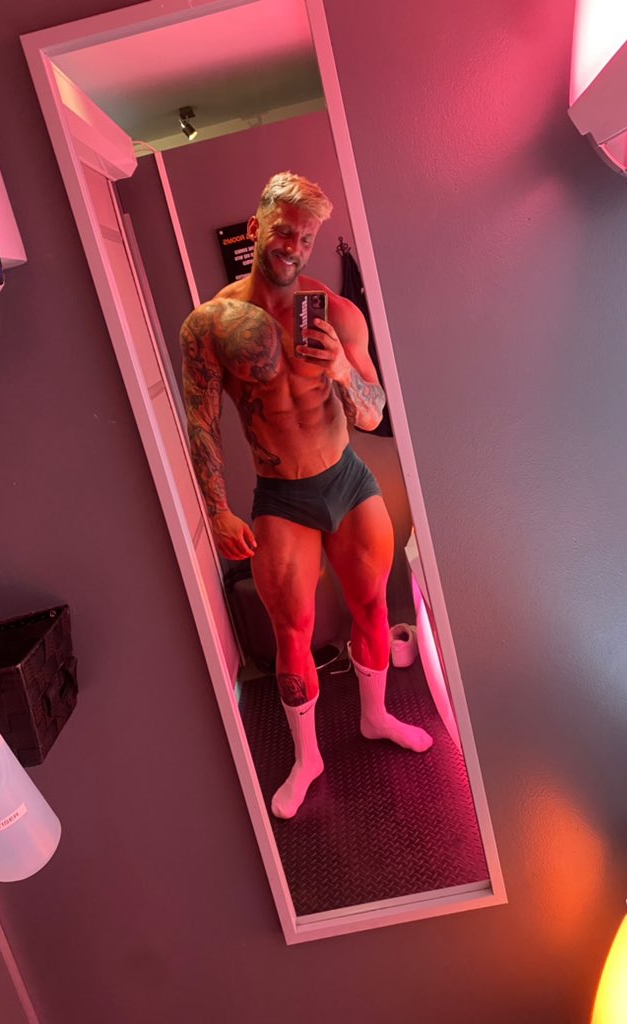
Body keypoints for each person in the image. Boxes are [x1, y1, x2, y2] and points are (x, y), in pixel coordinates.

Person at [180, 171, 432, 819]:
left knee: (371, 604)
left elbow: (372, 415)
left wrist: (340, 368)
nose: (293, 246)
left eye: (307, 237)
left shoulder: (338, 314)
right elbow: (201, 422)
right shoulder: (210, 326)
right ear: (257, 226)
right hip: (281, 497)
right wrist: (216, 509)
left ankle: (375, 716)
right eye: (284, 230)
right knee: (293, 631)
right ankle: (307, 757)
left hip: (347, 479)